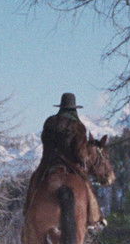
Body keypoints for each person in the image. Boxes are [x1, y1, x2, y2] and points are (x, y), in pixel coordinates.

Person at [25, 92, 106, 231]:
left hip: (48, 162)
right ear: (74, 109)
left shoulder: (49, 122)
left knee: (34, 182)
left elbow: (44, 140)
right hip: (70, 165)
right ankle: (95, 217)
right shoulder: (78, 125)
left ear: (61, 107)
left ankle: (27, 213)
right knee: (87, 186)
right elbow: (81, 153)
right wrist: (83, 159)